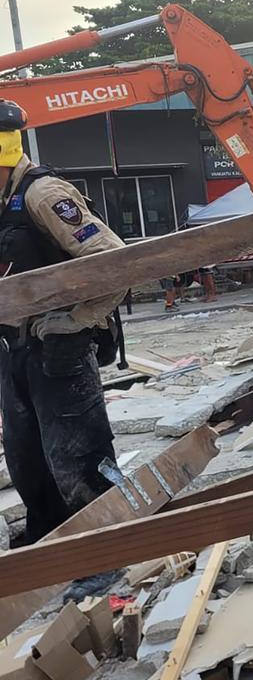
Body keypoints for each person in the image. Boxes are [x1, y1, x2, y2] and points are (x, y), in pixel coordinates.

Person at [0, 100, 125, 556]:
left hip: (59, 352)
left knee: (79, 464)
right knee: (28, 464)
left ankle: (106, 556)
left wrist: (75, 320)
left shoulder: (44, 195)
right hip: (13, 352)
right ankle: (48, 555)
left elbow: (114, 262)